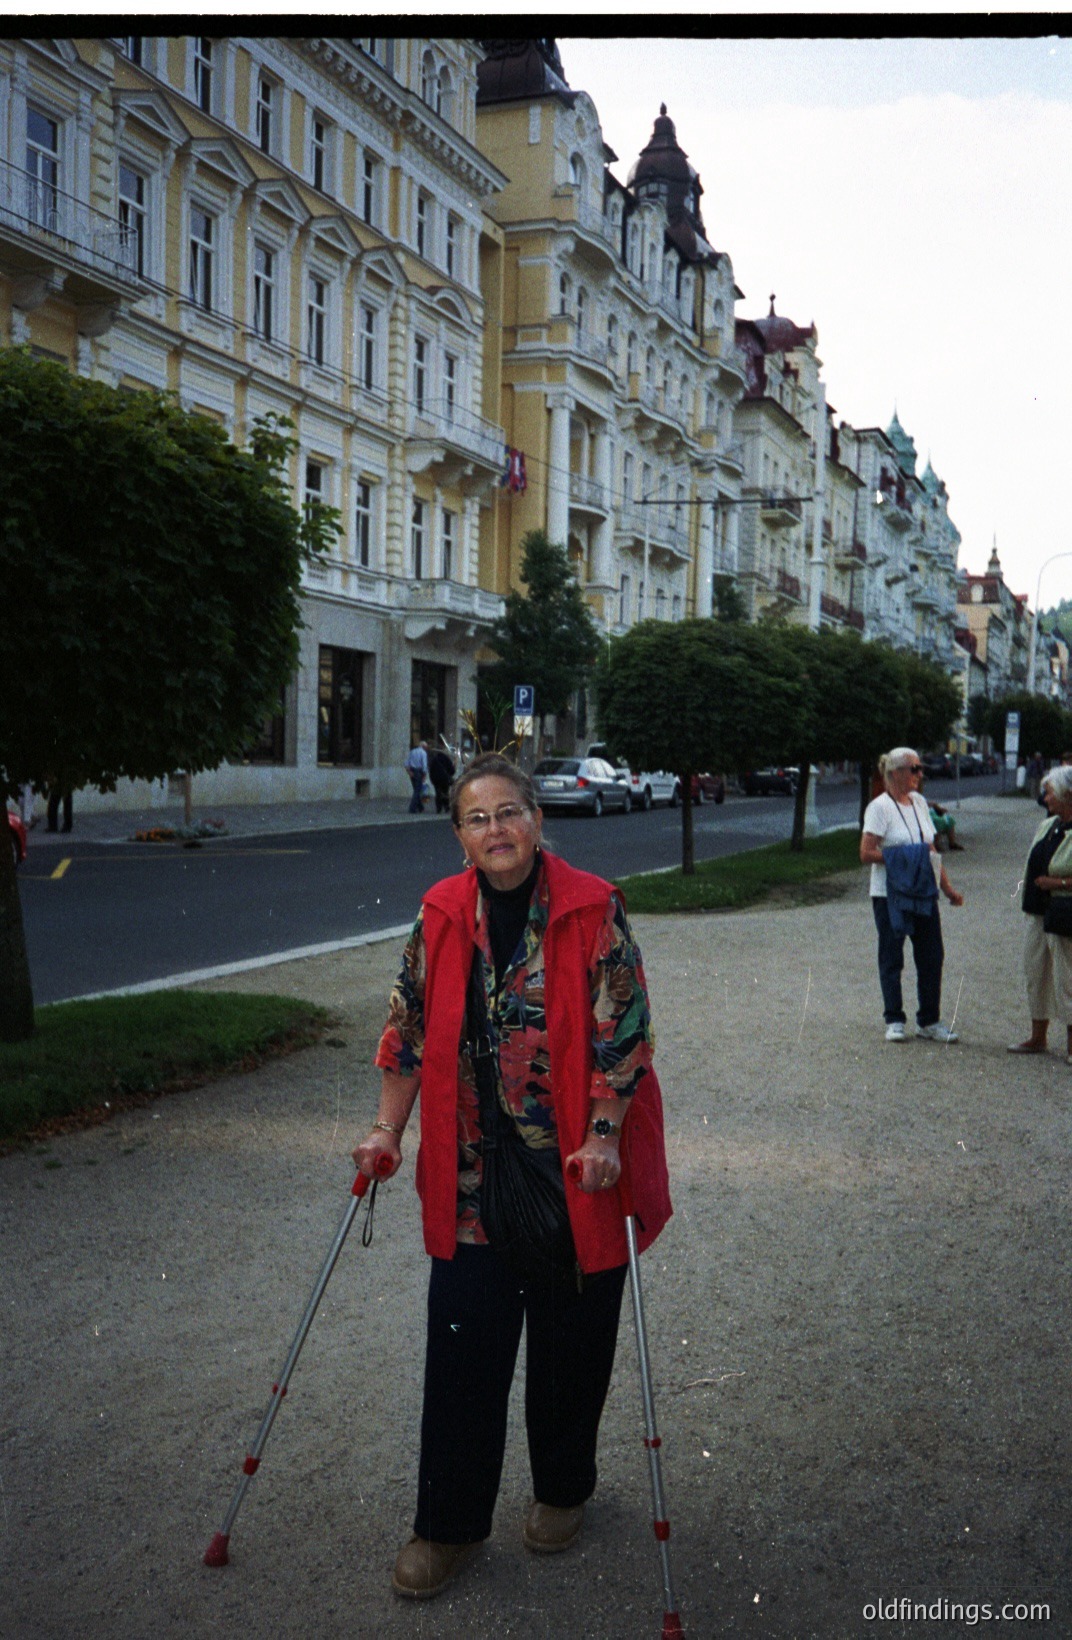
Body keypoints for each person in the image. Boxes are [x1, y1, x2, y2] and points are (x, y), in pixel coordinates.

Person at [352, 751, 671, 1601]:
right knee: (463, 1347)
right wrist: (386, 1130)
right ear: (459, 835)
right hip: (469, 1176)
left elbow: (624, 1036)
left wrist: (605, 1136)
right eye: (477, 817)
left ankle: (563, 1489)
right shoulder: (440, 915)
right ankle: (447, 1526)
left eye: (510, 812)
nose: (496, 830)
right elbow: (406, 1032)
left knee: (571, 1343)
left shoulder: (592, 907)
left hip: (574, 1171)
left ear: (538, 819)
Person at [860, 746, 964, 1043]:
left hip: (923, 890)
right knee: (892, 956)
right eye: (914, 769)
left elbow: (929, 850)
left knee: (932, 955)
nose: (920, 774)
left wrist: (947, 889)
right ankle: (894, 1019)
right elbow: (866, 853)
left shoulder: (918, 802)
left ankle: (929, 1020)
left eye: (920, 768)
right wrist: (903, 857)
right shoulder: (879, 807)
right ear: (895, 773)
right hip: (889, 893)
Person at [1009, 765, 1072, 1061]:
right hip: (1038, 910)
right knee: (1036, 972)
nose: (1045, 799)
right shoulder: (1049, 826)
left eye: (1049, 793)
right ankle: (1038, 1036)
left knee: (1067, 977)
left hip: (1064, 912)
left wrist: (1057, 882)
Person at [427, 743, 456, 814]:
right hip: (444, 779)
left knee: (438, 793)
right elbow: (452, 771)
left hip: (435, 779)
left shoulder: (434, 760)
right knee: (445, 792)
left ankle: (438, 808)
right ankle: (446, 807)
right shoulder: (446, 759)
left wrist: (432, 779)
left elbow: (431, 770)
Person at [404, 740, 428, 814]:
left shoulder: (412, 751)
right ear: (424, 747)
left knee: (416, 789)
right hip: (419, 771)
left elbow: (406, 762)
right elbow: (424, 765)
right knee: (417, 791)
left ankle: (420, 807)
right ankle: (412, 808)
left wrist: (409, 772)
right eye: (426, 747)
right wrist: (424, 775)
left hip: (412, 770)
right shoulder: (423, 753)